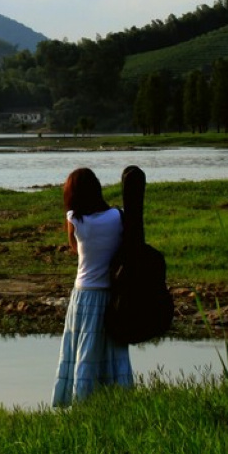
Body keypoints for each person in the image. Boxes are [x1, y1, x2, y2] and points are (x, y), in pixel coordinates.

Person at [51, 167, 133, 407]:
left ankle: (80, 401)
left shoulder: (75, 219)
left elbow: (74, 248)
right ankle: (118, 400)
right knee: (113, 350)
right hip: (112, 294)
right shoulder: (118, 216)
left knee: (82, 352)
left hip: (84, 294)